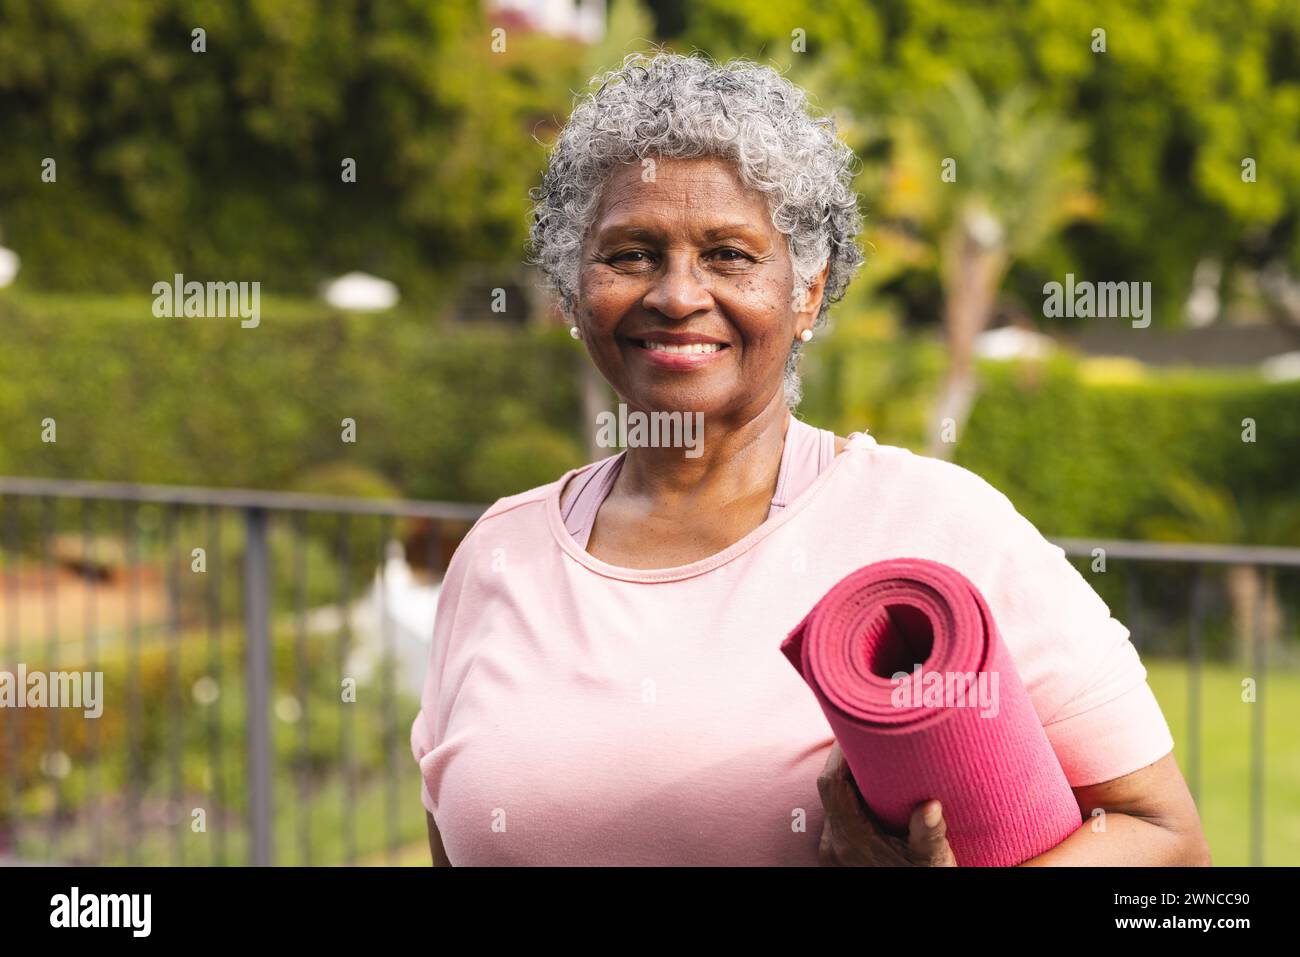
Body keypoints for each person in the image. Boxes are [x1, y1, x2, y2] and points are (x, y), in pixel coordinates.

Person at [410, 51, 1209, 866]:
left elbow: (1163, 839)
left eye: (729, 254)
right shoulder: (498, 556)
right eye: (631, 254)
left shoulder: (938, 527)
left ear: (808, 293)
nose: (677, 295)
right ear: (574, 291)